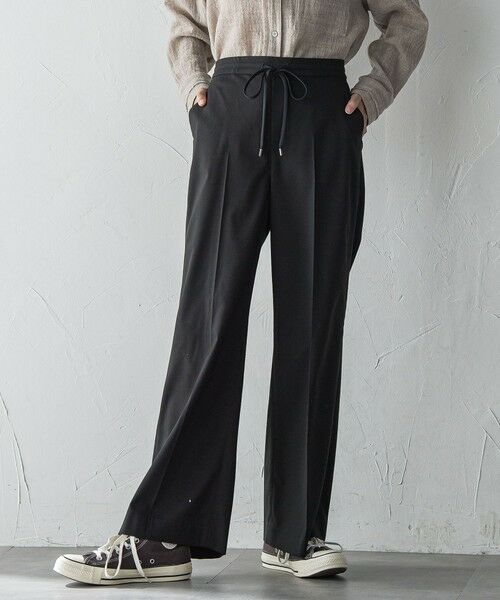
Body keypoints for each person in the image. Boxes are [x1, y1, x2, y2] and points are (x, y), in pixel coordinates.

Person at [54, 0, 428, 585]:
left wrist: (372, 94)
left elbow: (407, 17)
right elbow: (184, 16)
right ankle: (164, 534)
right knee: (207, 320)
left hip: (322, 114)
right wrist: (194, 87)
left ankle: (295, 534)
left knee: (311, 325)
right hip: (230, 111)